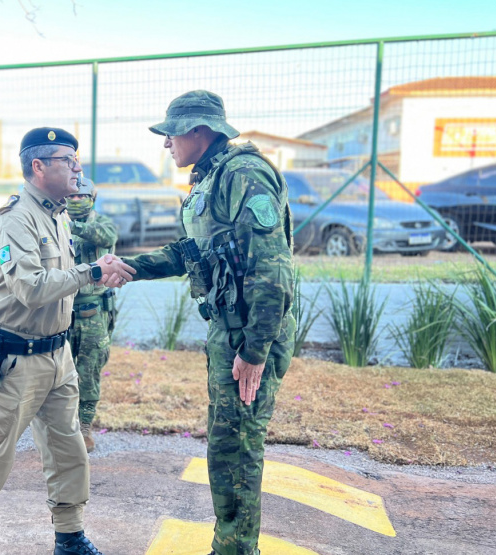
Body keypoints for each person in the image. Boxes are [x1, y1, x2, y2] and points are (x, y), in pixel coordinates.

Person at [0, 128, 134, 555]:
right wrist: (92, 272)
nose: (78, 166)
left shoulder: (57, 215)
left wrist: (98, 275)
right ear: (38, 166)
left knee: (68, 446)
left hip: (58, 353)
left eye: (77, 158)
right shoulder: (15, 218)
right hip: (16, 358)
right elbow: (31, 288)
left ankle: (70, 536)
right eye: (66, 158)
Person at [120, 91, 296, 555]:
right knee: (224, 444)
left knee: (237, 450)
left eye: (171, 134)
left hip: (250, 335)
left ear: (200, 132)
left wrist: (256, 351)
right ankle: (230, 546)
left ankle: (236, 549)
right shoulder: (211, 177)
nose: (166, 144)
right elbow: (190, 252)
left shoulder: (243, 174)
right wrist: (130, 267)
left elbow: (272, 270)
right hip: (229, 328)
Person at [66, 176, 118, 452]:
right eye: (71, 197)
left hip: (92, 312)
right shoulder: (56, 224)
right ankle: (63, 427)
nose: (75, 201)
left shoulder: (101, 223)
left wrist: (71, 226)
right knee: (58, 373)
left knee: (88, 371)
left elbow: (106, 237)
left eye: (80, 197)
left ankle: (84, 426)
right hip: (60, 311)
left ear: (91, 199)